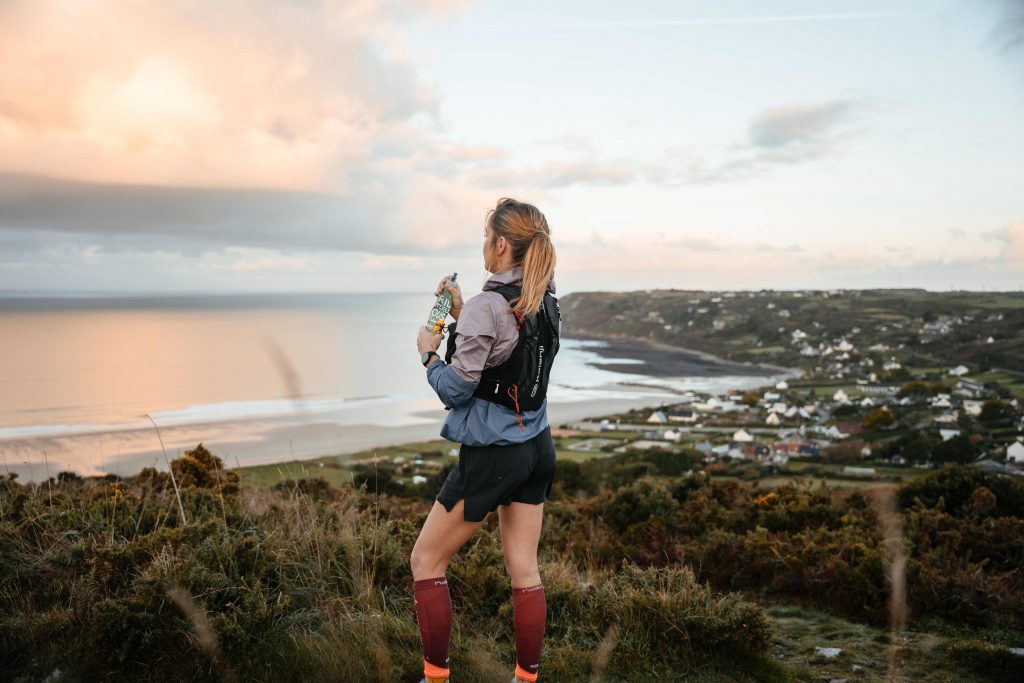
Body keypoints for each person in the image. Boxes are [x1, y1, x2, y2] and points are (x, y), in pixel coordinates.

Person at [412, 198, 559, 683]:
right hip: (538, 448)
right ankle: (525, 679)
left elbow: (457, 387)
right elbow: (501, 358)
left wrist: (429, 355)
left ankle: (434, 679)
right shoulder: (546, 299)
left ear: (499, 244)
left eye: (485, 237)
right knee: (524, 568)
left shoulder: (486, 307)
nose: (482, 246)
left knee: (425, 560)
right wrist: (460, 315)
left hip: (494, 456)